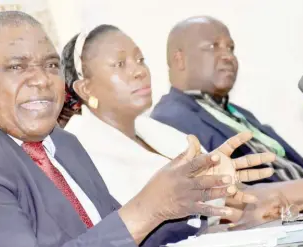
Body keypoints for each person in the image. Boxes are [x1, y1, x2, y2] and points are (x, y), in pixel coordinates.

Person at [0, 11, 273, 247]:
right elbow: (128, 224)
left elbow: (115, 238)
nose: (42, 80)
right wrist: (148, 207)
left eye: (51, 65)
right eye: (16, 67)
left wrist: (196, 206)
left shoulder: (63, 143)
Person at [59, 25, 279, 224]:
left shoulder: (156, 131)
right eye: (120, 64)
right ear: (85, 89)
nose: (140, 71)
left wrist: (225, 188)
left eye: (140, 60)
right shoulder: (81, 152)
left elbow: (227, 204)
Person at [151, 16, 303, 182]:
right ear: (179, 60)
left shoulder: (241, 113)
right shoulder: (169, 119)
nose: (228, 56)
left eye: (230, 48)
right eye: (212, 46)